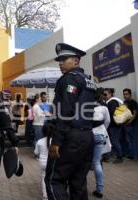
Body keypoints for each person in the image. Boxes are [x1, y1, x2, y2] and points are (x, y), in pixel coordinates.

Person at [45, 43, 96, 200]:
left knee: (54, 180)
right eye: (59, 60)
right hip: (87, 137)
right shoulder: (89, 81)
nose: (60, 63)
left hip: (70, 137)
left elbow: (66, 112)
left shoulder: (69, 79)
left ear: (76, 60)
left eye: (64, 59)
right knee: (78, 182)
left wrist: (56, 141)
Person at [92, 88, 111, 198]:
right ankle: (99, 189)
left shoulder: (85, 107)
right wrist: (103, 129)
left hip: (87, 136)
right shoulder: (104, 108)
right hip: (100, 136)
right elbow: (107, 121)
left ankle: (80, 187)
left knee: (84, 161)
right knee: (97, 162)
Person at [34, 123, 55, 200]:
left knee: (44, 178)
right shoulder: (55, 142)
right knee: (53, 178)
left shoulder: (39, 141)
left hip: (42, 163)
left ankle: (45, 196)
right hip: (53, 163)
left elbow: (36, 152)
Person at [103, 88, 123, 163]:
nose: (104, 96)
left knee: (115, 141)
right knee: (113, 141)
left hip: (114, 125)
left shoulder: (113, 101)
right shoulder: (108, 101)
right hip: (112, 125)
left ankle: (120, 157)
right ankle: (115, 155)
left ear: (110, 94)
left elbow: (111, 112)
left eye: (106, 94)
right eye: (104, 94)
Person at [122, 88, 137, 159]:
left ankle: (133, 155)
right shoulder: (124, 102)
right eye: (124, 94)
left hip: (131, 125)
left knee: (132, 140)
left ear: (130, 94)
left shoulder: (133, 102)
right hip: (125, 124)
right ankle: (130, 154)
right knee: (128, 140)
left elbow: (135, 113)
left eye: (126, 94)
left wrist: (130, 122)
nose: (125, 95)